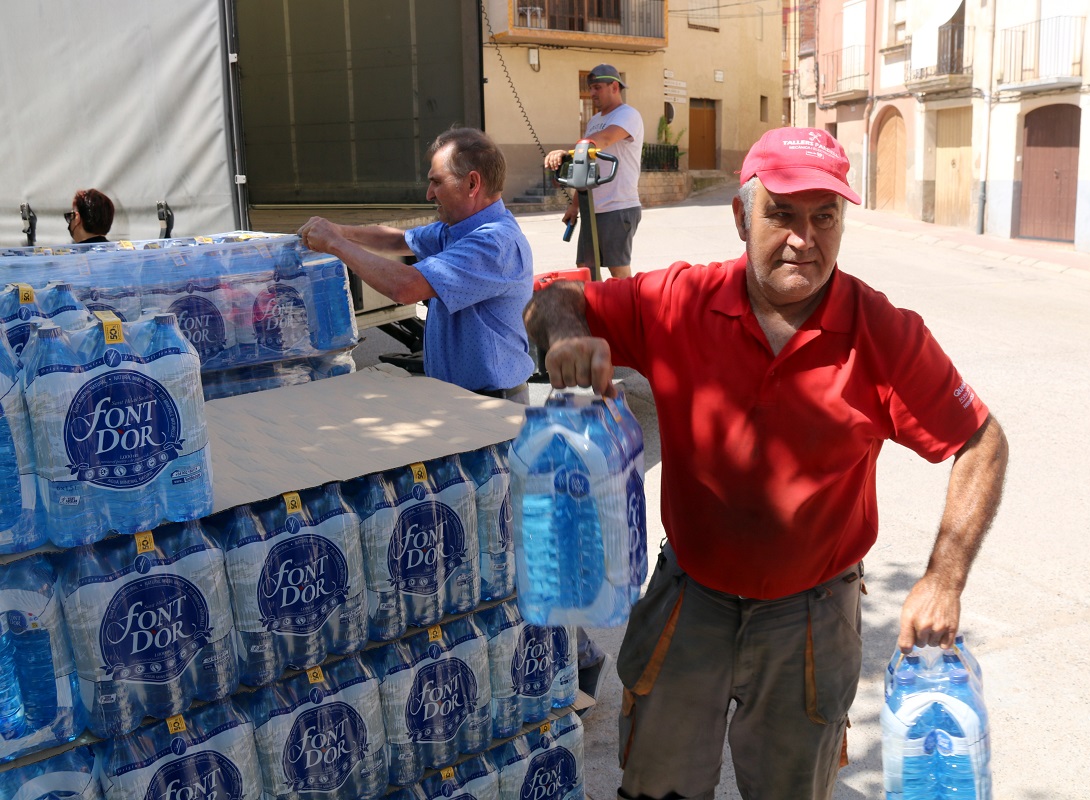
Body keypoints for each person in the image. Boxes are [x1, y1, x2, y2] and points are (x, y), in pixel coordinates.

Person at [524, 127, 1009, 800]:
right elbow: (553, 298)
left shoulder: (883, 333)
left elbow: (982, 441)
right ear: (741, 216)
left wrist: (944, 578)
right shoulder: (680, 301)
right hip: (690, 594)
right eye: (781, 214)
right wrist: (566, 337)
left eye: (825, 217)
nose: (804, 240)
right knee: (657, 787)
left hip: (811, 615)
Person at [298, 127, 534, 402]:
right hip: (462, 400)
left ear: (472, 184)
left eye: (437, 182)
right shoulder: (457, 230)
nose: (429, 194)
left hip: (492, 405)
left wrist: (335, 244)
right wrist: (340, 231)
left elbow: (406, 287)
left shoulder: (493, 244)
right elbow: (398, 240)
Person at [544, 64, 644, 279]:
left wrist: (567, 152)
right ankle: (597, 302)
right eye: (590, 88)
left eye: (597, 87)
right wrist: (575, 205)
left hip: (618, 206)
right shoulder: (594, 121)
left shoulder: (628, 115)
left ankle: (628, 303)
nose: (592, 93)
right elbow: (586, 166)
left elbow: (605, 139)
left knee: (618, 270)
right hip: (592, 207)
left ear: (614, 87)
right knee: (585, 267)